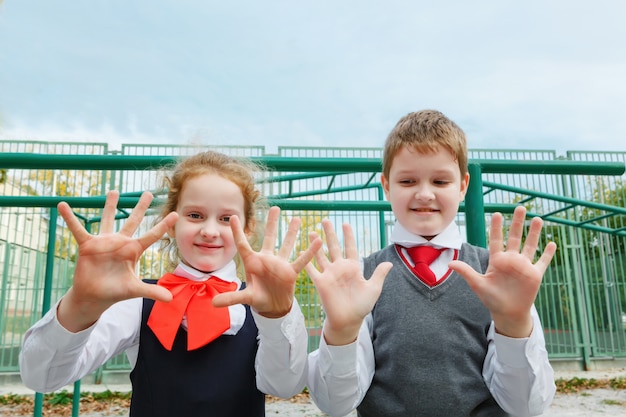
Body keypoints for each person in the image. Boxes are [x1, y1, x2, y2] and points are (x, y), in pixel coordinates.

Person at [19, 151, 322, 417]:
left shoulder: (267, 302)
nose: (209, 230)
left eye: (226, 219)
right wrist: (81, 304)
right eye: (194, 215)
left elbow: (284, 386)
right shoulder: (137, 300)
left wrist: (277, 315)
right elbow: (42, 377)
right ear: (171, 220)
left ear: (249, 227)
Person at [305, 110, 558, 417]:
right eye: (408, 180)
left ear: (463, 186)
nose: (424, 194)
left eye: (440, 180)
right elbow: (336, 404)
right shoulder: (362, 277)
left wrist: (514, 325)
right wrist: (341, 333)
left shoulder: (499, 275)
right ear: (386, 185)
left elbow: (526, 407)